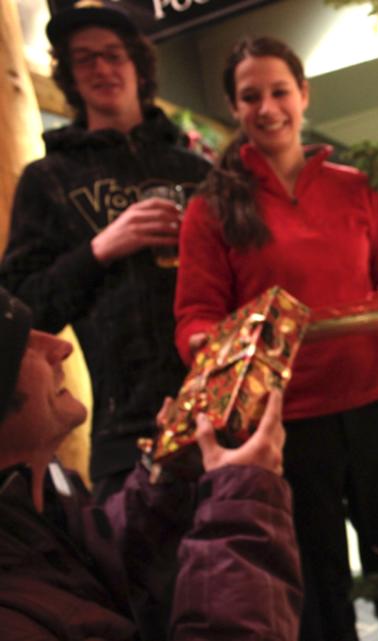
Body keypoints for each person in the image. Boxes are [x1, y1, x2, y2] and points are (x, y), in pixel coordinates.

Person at [174, 36, 378, 641]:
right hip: (283, 428)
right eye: (249, 96)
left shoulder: (354, 187)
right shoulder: (211, 209)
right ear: (234, 109)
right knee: (317, 600)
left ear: (303, 94)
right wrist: (230, 347)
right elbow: (193, 320)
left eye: (278, 91)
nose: (267, 108)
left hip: (376, 409)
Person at [0, 286, 302, 640]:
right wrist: (242, 503)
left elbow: (98, 558)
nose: (60, 347)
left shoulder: (36, 494)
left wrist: (165, 475)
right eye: (23, 345)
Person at [0, 3, 210, 501]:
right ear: (70, 76)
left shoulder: (196, 171)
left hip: (219, 409)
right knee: (147, 578)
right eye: (85, 59)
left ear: (137, 63)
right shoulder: (49, 178)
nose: (101, 68)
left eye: (113, 55)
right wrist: (100, 248)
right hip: (126, 425)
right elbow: (21, 310)